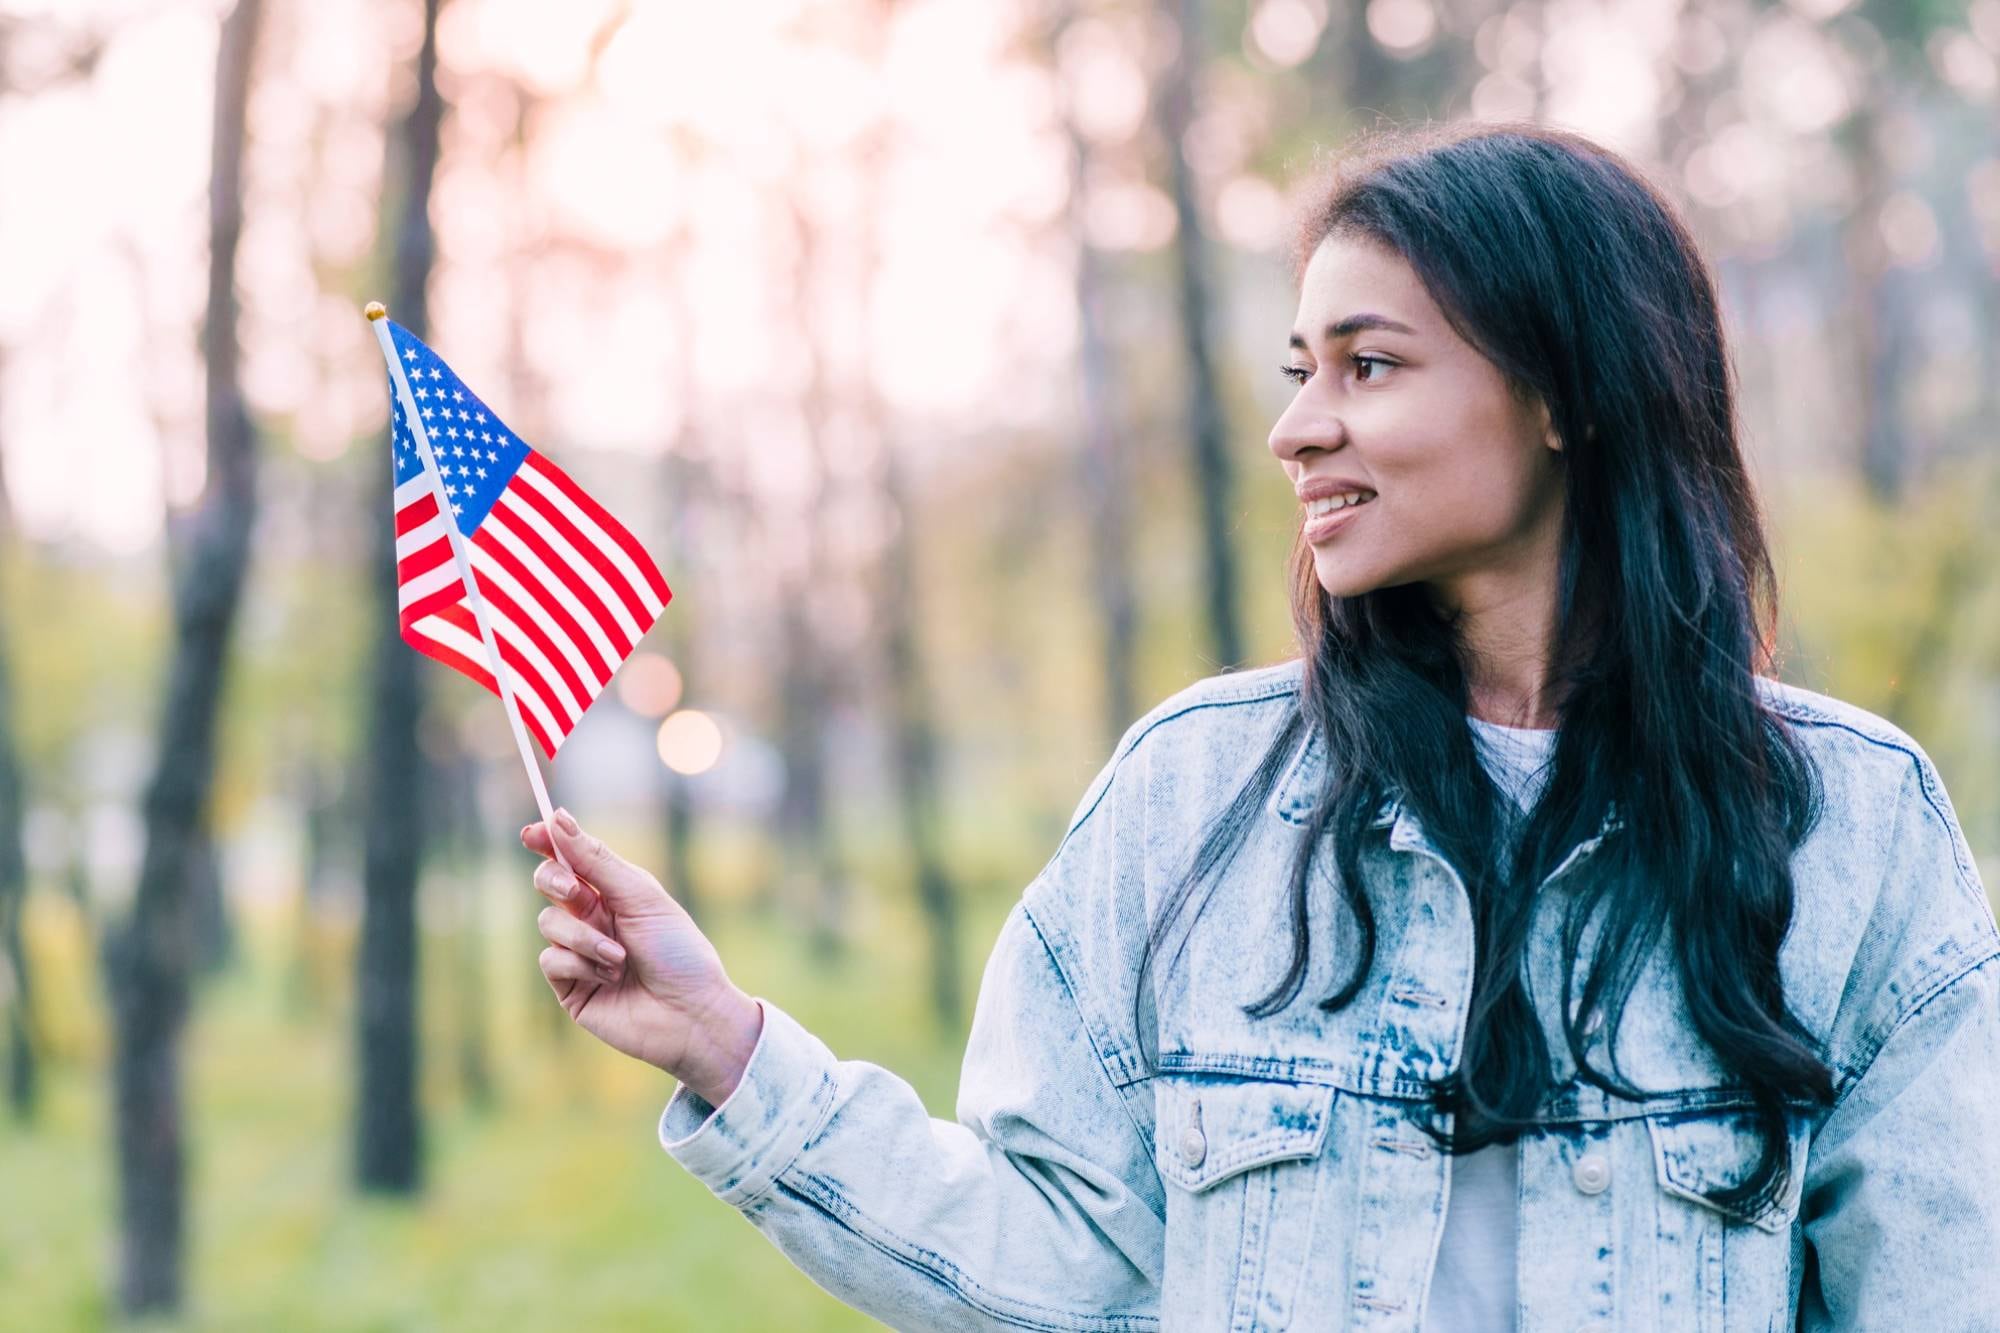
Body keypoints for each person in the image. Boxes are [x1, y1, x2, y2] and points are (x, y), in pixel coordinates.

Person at [519, 121, 2000, 1330]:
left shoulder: (1851, 826)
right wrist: (728, 1046)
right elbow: (1063, 1276)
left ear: (1564, 393)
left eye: (1370, 364)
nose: (1299, 426)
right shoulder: (1193, 795)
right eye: (1302, 371)